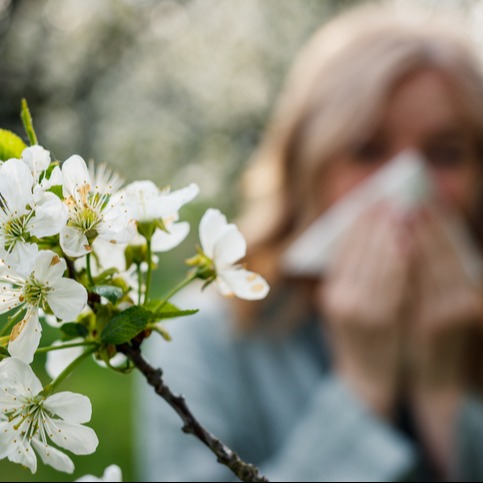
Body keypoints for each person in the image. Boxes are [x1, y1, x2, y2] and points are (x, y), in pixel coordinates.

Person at [136, 3, 483, 481]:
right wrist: (362, 386)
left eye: (446, 153)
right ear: (306, 167)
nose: (407, 186)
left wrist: (444, 392)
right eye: (367, 149)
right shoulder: (206, 341)